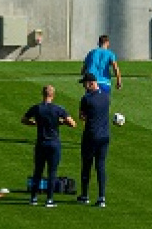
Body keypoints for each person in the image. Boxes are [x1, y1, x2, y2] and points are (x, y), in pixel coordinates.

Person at [22, 85, 76, 208]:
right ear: (53, 95)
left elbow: (24, 120)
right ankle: (49, 200)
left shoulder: (37, 108)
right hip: (54, 144)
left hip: (41, 143)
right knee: (52, 172)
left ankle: (33, 198)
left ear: (43, 94)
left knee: (38, 171)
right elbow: (72, 124)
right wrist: (61, 122)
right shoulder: (58, 109)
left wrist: (35, 123)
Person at [77, 72, 111, 208]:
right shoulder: (106, 97)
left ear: (91, 83)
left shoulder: (86, 99)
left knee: (86, 166)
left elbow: (82, 117)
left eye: (85, 84)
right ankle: (101, 197)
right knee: (101, 166)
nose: (84, 87)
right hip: (104, 136)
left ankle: (85, 195)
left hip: (91, 135)